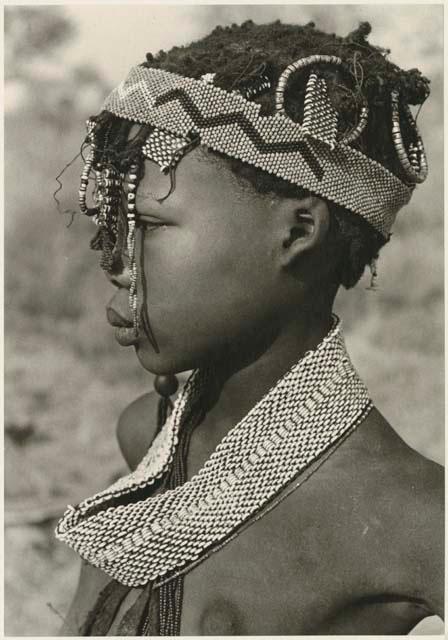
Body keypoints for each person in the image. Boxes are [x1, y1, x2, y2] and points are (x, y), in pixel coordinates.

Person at [56, 20, 443, 635]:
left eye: (151, 226)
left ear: (297, 233)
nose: (119, 264)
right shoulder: (146, 437)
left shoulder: (413, 517)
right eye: (115, 223)